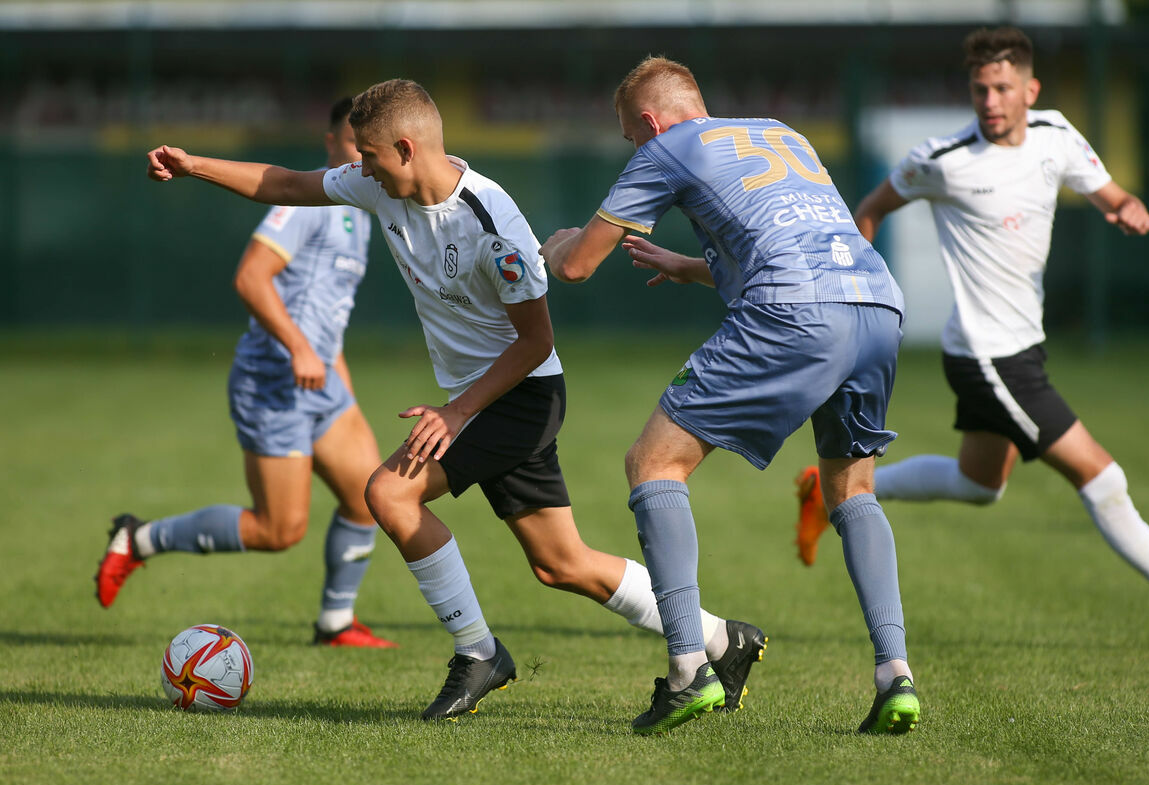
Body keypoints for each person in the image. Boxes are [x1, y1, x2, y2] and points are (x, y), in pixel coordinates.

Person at [143, 78, 766, 721]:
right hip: (481, 398)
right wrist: (194, 166)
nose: (361, 169)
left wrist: (457, 412)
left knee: (389, 493)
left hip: (521, 396)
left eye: (370, 156)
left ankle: (478, 653)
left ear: (406, 148)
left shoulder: (492, 224)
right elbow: (286, 184)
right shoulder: (378, 185)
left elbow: (536, 343)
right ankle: (724, 638)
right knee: (562, 564)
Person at [793, 26, 1149, 646]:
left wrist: (1125, 206)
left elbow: (1110, 193)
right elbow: (870, 210)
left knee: (979, 485)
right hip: (988, 357)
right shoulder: (942, 159)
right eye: (979, 89)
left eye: (1002, 88)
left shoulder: (1056, 136)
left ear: (1029, 90)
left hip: (1021, 348)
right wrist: (858, 290)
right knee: (1101, 476)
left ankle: (825, 489)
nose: (989, 101)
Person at [541, 57, 919, 735]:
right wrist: (690, 267)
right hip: (877, 304)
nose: (634, 148)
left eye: (631, 136)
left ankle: (689, 669)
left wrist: (553, 246)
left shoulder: (666, 148)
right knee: (852, 489)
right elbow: (791, 243)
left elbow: (577, 265)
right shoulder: (780, 133)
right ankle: (897, 675)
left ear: (651, 122)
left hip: (795, 312)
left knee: (654, 463)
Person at [96, 97, 396, 648]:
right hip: (275, 384)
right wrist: (300, 349)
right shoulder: (307, 205)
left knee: (369, 497)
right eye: (356, 146)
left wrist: (338, 378)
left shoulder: (362, 209)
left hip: (324, 384)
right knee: (278, 530)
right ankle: (138, 539)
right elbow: (251, 278)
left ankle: (335, 622)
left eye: (372, 148)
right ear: (332, 144)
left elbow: (326, 313)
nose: (364, 159)